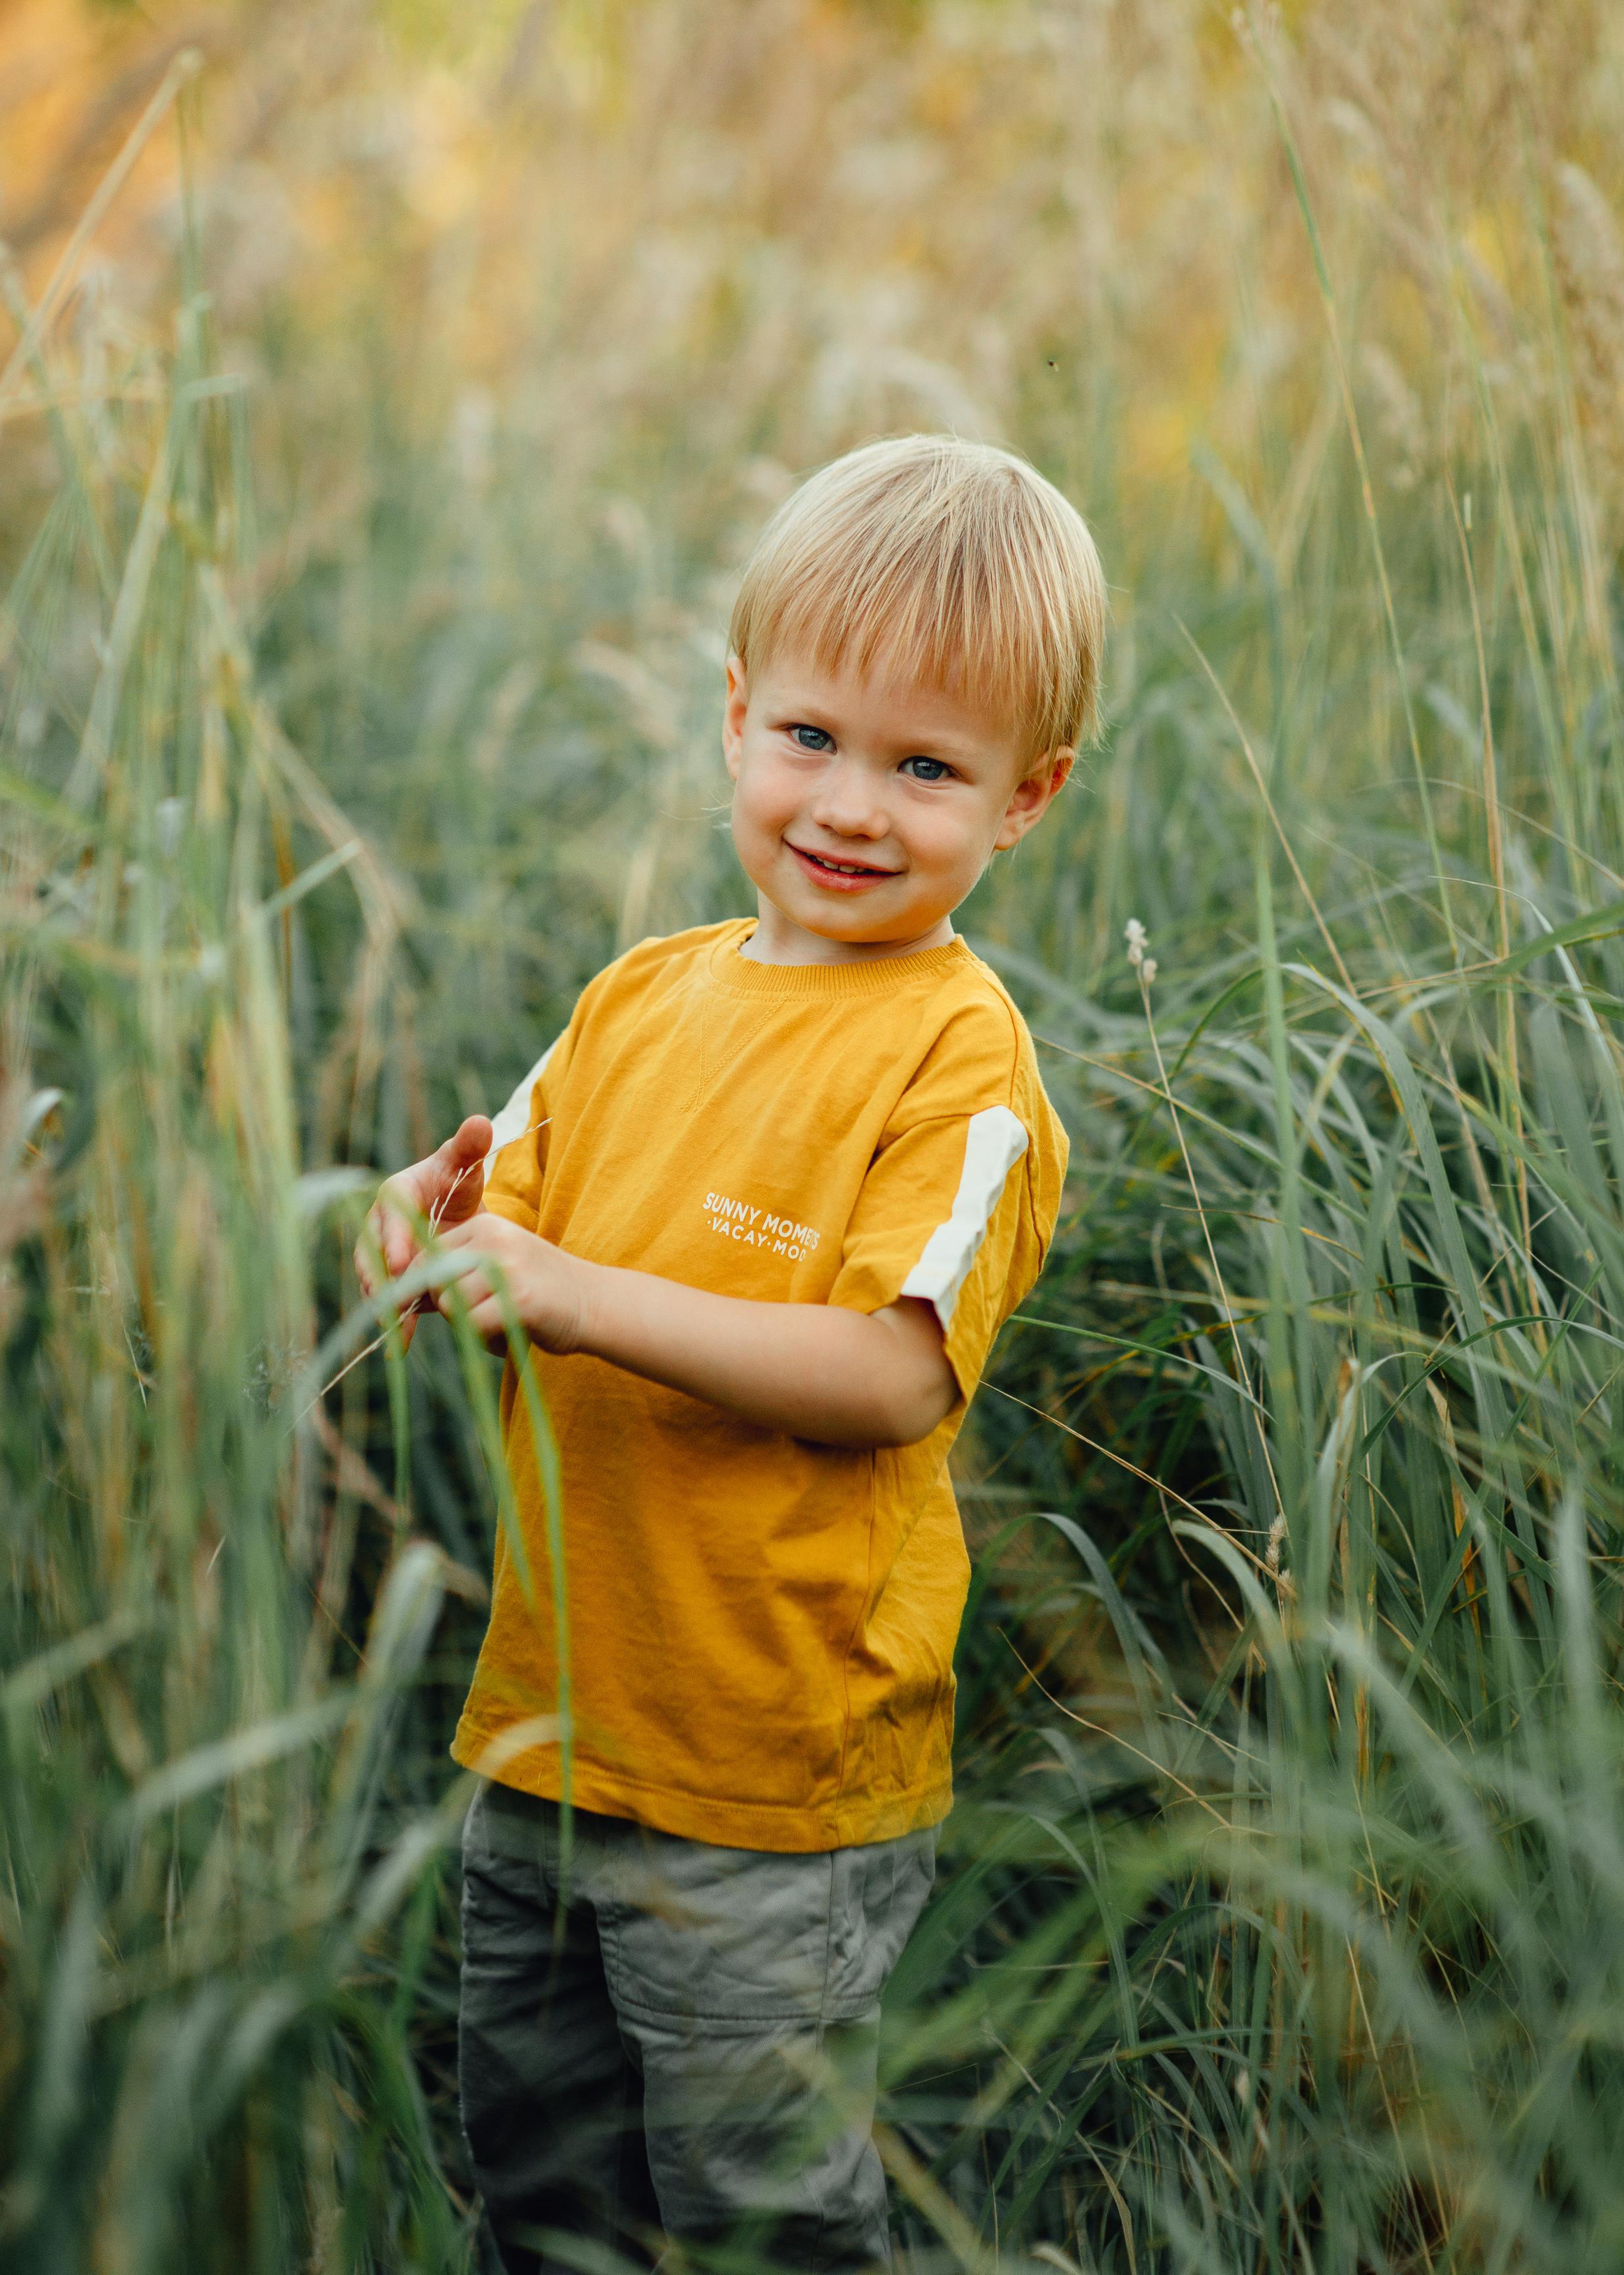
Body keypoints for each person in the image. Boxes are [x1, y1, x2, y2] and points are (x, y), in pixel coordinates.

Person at [365, 434, 1108, 2272]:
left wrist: (575, 1295)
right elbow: (497, 1227)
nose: (854, 805)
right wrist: (413, 1230)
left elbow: (890, 1375)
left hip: (766, 1780)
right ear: (734, 720)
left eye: (927, 767)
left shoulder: (957, 1060)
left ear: (1026, 799)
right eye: (812, 739)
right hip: (549, 1730)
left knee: (757, 2209)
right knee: (540, 2181)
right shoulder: (641, 1000)